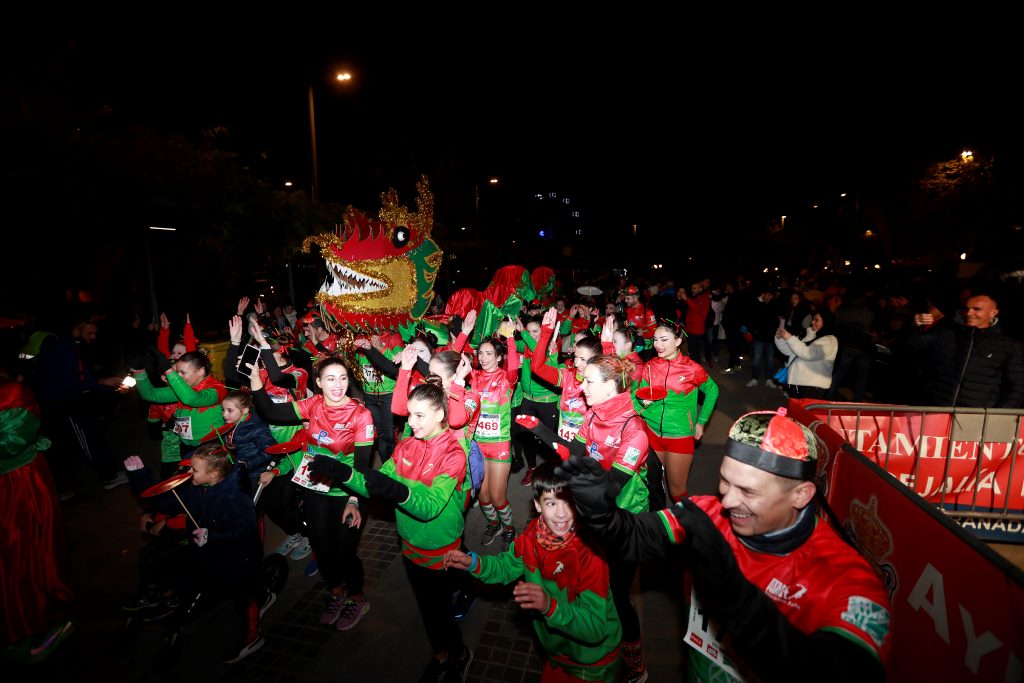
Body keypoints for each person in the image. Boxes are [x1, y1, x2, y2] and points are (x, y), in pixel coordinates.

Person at [556, 408, 892, 682]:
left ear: (801, 494)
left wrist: (734, 596)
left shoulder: (848, 583)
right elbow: (632, 538)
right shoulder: (708, 513)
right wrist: (598, 510)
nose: (727, 501)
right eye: (725, 481)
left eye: (748, 491)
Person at [306, 378, 474, 683]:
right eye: (409, 414)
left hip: (441, 548)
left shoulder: (453, 452)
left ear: (440, 414)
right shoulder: (407, 443)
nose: (411, 422)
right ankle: (440, 657)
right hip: (409, 545)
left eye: (420, 415)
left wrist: (395, 488)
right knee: (427, 608)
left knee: (440, 611)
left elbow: (430, 506)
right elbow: (377, 481)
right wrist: (346, 474)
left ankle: (459, 656)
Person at [523, 352, 653, 683]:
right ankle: (590, 648)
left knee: (619, 595)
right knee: (595, 588)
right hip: (593, 515)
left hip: (623, 522)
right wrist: (541, 430)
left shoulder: (634, 431)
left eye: (589, 381)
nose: (582, 387)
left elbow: (609, 489)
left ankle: (636, 667)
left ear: (611, 386)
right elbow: (578, 452)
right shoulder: (594, 414)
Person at [444, 461, 621, 683]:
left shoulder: (590, 554)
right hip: (557, 652)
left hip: (593, 662)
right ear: (537, 505)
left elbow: (596, 628)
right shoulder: (533, 535)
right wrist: (473, 563)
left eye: (568, 502)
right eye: (551, 503)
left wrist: (549, 606)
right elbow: (507, 566)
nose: (561, 514)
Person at [247, 355, 372, 631]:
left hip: (346, 492)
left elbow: (363, 466)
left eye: (342, 378)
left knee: (345, 551)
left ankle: (357, 597)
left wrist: (354, 500)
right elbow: (271, 412)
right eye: (330, 379)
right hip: (315, 487)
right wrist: (256, 382)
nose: (338, 385)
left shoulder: (361, 414)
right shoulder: (313, 404)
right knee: (322, 546)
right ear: (318, 382)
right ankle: (337, 592)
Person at [123, 443, 266, 664]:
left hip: (239, 561)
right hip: (210, 555)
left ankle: (252, 638)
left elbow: (245, 532)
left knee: (243, 600)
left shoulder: (235, 496)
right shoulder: (195, 487)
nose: (189, 473)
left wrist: (213, 536)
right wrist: (140, 476)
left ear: (214, 473)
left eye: (194, 470)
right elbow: (165, 500)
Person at [0, 377, 74, 662]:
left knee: (25, 549)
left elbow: (14, 440)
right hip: (13, 483)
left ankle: (37, 620)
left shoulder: (12, 392)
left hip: (21, 485)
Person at [32, 316, 128, 492]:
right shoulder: (61, 347)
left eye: (95, 333)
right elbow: (74, 382)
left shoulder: (71, 344)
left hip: (70, 400)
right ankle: (108, 477)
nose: (93, 337)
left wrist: (107, 386)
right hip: (61, 404)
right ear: (78, 328)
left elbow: (85, 378)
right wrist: (104, 383)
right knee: (86, 437)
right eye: (90, 332)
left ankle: (64, 487)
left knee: (87, 436)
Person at [634, 322, 719, 503]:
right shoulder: (650, 366)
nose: (658, 345)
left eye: (664, 340)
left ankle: (686, 526)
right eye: (655, 340)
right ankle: (662, 523)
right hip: (650, 432)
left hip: (678, 436)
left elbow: (713, 391)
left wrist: (701, 421)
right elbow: (639, 394)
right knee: (653, 483)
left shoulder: (692, 369)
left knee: (677, 490)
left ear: (678, 341)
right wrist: (642, 401)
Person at [463, 312, 521, 547]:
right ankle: (494, 525)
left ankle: (509, 528)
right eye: (481, 353)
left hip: (499, 445)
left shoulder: (507, 379)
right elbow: (450, 362)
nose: (484, 358)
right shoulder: (473, 377)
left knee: (497, 496)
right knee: (483, 496)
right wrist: (464, 334)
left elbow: (514, 365)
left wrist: (510, 338)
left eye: (489, 353)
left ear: (499, 357)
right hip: (477, 445)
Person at [907, 292, 1024, 408]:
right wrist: (915, 326)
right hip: (936, 410)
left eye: (976, 309)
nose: (969, 313)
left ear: (993, 313)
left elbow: (1016, 387)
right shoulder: (946, 333)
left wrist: (997, 417)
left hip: (977, 418)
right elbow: (911, 348)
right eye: (967, 308)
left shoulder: (1009, 346)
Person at [129, 351, 228, 464]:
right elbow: (150, 395)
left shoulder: (216, 389)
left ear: (200, 371)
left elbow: (192, 399)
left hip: (211, 446)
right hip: (186, 445)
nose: (178, 376)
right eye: (177, 372)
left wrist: (168, 370)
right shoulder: (184, 389)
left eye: (182, 372)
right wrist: (139, 371)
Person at [221, 389, 277, 495]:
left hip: (253, 475)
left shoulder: (256, 427)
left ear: (245, 410)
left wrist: (247, 463)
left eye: (229, 410)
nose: (224, 414)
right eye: (223, 410)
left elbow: (268, 451)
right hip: (236, 472)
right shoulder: (231, 423)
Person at [774, 310, 839, 400]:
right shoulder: (811, 335)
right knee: (796, 412)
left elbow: (808, 353)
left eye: (816, 320)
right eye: (813, 319)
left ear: (826, 322)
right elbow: (791, 351)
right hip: (799, 383)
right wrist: (780, 338)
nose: (812, 322)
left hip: (812, 387)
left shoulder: (829, 340)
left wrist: (789, 337)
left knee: (804, 413)